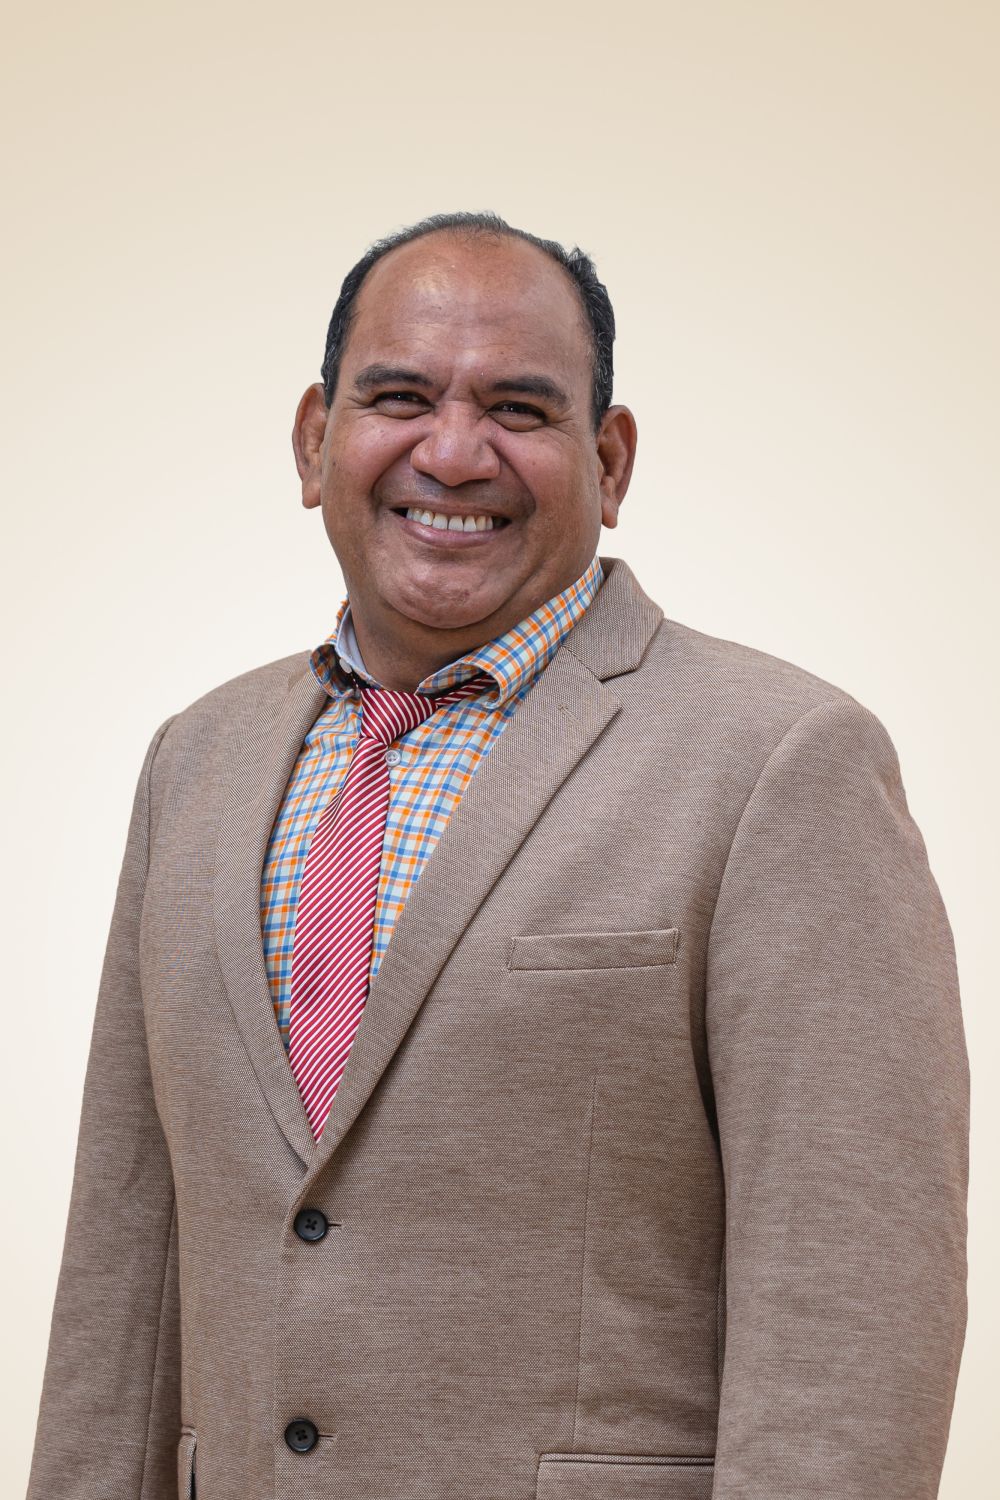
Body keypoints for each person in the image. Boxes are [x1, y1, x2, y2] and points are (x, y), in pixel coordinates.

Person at [25, 212, 968, 1500]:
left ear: (610, 461)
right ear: (314, 440)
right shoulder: (195, 761)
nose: (454, 452)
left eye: (518, 410)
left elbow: (850, 1312)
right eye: (399, 398)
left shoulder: (782, 762)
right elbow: (123, 1275)